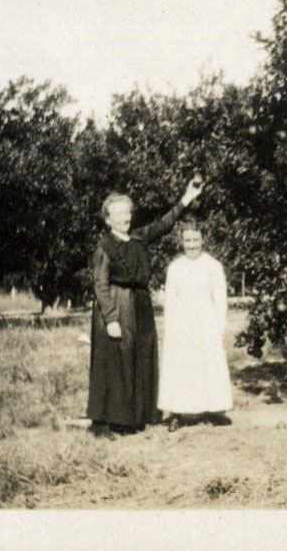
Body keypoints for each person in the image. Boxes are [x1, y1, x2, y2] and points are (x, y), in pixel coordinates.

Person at [87, 177, 204, 439]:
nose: (125, 218)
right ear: (108, 219)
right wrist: (111, 318)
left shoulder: (138, 237)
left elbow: (164, 223)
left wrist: (187, 198)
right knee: (115, 361)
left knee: (140, 356)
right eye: (118, 214)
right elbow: (100, 283)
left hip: (140, 303)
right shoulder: (104, 247)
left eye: (127, 212)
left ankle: (134, 417)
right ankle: (104, 422)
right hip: (117, 304)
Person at [158, 218, 234, 430]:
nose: (191, 245)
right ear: (182, 242)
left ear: (203, 240)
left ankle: (214, 409)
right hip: (182, 325)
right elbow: (170, 302)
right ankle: (177, 412)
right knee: (181, 367)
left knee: (209, 366)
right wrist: (171, 328)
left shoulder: (213, 266)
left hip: (206, 324)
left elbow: (220, 300)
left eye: (195, 240)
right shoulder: (175, 267)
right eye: (187, 240)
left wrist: (219, 327)